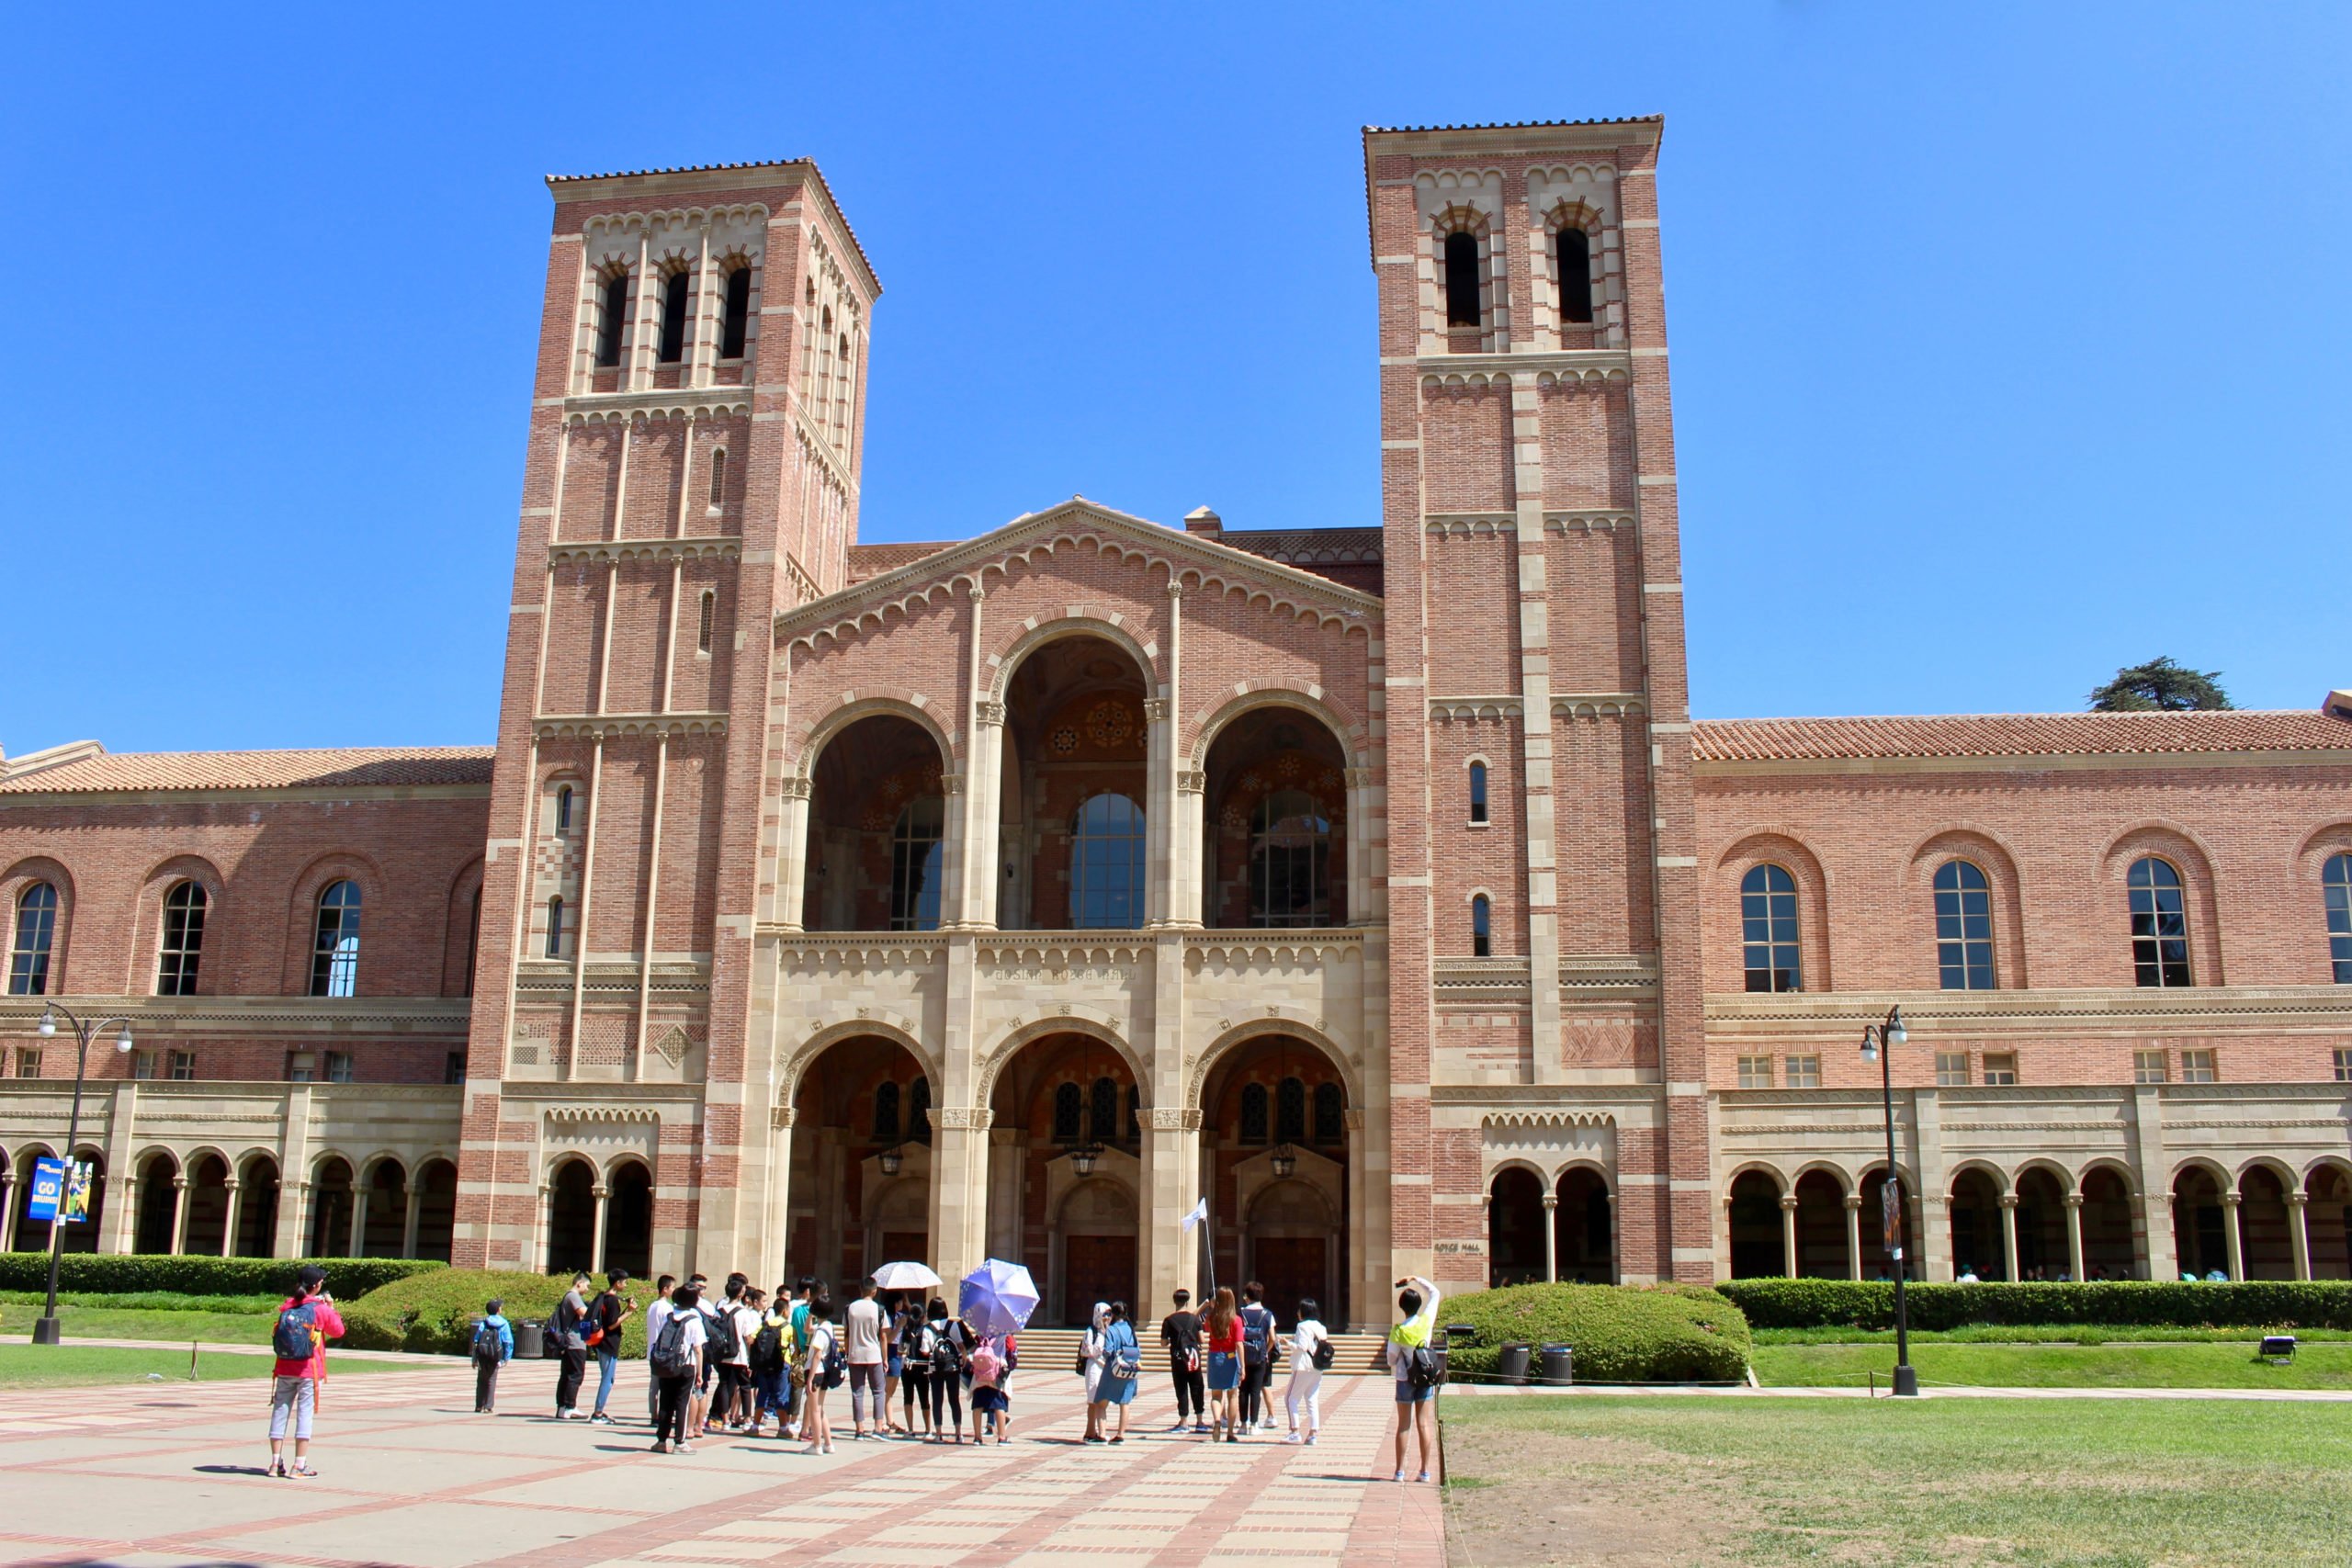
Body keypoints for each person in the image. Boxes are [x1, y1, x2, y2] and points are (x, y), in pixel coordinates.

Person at [267, 1264, 344, 1478]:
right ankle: (299, 1465)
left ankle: (275, 1464)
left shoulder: (287, 1306)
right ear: (317, 1285)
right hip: (309, 1369)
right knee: (304, 1414)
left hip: (283, 1367)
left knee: (280, 1412)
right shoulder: (320, 1309)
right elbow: (338, 1331)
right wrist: (331, 1307)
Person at [1386, 1274, 1440, 1483]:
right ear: (1418, 1305)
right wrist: (1415, 1278)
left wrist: (1402, 1355)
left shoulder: (1398, 1331)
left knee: (1404, 1425)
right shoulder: (1426, 1322)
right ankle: (1425, 1471)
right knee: (1424, 1424)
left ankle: (1399, 1471)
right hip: (1425, 1377)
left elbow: (1391, 1359)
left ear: (1402, 1307)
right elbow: (1435, 1293)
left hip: (1404, 1379)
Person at [649, 1281, 707, 1455]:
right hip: (686, 1366)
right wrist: (700, 1373)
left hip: (667, 1363)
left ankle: (661, 1440)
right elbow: (698, 1349)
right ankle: (679, 1442)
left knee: (666, 1402)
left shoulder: (670, 1315)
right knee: (682, 1404)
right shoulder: (694, 1320)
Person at [587, 1268, 635, 1425]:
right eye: (625, 1282)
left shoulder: (604, 1296)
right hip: (608, 1344)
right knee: (607, 1379)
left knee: (607, 1377)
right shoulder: (612, 1300)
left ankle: (599, 1411)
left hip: (602, 1343)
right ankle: (598, 1413)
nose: (626, 1285)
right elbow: (612, 1325)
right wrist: (629, 1312)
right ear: (618, 1282)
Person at [1282, 1296, 1329, 1444]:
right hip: (1317, 1367)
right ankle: (1313, 1433)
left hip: (1303, 1366)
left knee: (1290, 1398)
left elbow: (1302, 1346)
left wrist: (1287, 1343)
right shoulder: (1321, 1327)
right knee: (1312, 1399)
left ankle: (1294, 1431)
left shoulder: (1302, 1326)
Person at [843, 1278, 888, 1438]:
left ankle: (859, 1429)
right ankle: (878, 1427)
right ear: (874, 1291)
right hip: (874, 1354)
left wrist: (847, 1352)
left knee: (857, 1392)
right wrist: (885, 1358)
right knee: (878, 1391)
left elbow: (847, 1333)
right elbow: (883, 1336)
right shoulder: (879, 1309)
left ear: (860, 1290)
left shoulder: (850, 1308)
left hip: (855, 1354)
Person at [1160, 1289, 1206, 1434]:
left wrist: (1171, 1341)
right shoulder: (1195, 1319)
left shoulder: (1169, 1320)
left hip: (1178, 1360)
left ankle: (1184, 1422)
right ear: (1187, 1302)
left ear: (1174, 1302)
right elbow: (1202, 1340)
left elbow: (1163, 1342)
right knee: (1197, 1388)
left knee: (1181, 1390)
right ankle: (1199, 1421)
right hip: (1194, 1359)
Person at [1096, 1301, 1140, 1443]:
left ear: (1113, 1314)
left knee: (1101, 1402)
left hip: (1113, 1369)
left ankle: (1102, 1435)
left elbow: (1108, 1351)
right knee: (1125, 1402)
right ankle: (1120, 1435)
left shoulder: (1111, 1329)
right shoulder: (1130, 1328)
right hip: (1129, 1368)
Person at [1203, 1287, 1243, 1442]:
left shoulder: (1211, 1318)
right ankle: (1231, 1432)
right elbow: (1239, 1344)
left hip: (1214, 1356)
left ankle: (1217, 1419)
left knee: (1216, 1395)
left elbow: (1203, 1324)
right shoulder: (1236, 1320)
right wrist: (1243, 1367)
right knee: (1232, 1395)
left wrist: (1211, 1307)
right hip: (1230, 1356)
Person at [922, 1298, 965, 1442]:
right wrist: (963, 1358)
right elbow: (960, 1346)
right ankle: (958, 1433)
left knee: (937, 1399)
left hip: (936, 1368)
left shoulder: (927, 1328)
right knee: (954, 1399)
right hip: (952, 1367)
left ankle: (938, 1433)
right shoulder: (953, 1325)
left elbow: (925, 1351)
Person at [551, 1272, 593, 1419]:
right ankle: (570, 1406)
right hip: (575, 1342)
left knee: (566, 1375)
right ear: (579, 1283)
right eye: (587, 1286)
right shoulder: (573, 1296)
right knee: (576, 1375)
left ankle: (562, 1407)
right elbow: (585, 1314)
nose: (587, 1289)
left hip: (568, 1342)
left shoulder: (567, 1297)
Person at [1238, 1282, 1277, 1431]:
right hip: (1260, 1357)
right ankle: (1254, 1424)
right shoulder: (1267, 1314)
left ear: (1247, 1296)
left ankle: (1243, 1424)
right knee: (1255, 1390)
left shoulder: (1240, 1313)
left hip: (1243, 1356)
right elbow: (1272, 1338)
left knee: (1243, 1390)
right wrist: (1265, 1351)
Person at [802, 1293, 839, 1454]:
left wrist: (809, 1379)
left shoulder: (820, 1333)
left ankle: (816, 1445)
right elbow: (807, 1328)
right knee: (819, 1408)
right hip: (825, 1371)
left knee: (814, 1409)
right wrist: (812, 1313)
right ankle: (828, 1443)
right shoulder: (828, 1327)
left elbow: (817, 1355)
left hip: (815, 1371)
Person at [970, 1324, 1016, 1445]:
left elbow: (973, 1347)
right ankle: (1001, 1437)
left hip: (980, 1370)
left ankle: (977, 1437)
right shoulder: (1004, 1331)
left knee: (978, 1404)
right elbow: (1012, 1350)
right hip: (996, 1370)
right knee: (999, 1404)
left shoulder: (980, 1331)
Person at [642, 1275, 677, 1425]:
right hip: (664, 1351)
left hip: (652, 1349)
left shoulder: (652, 1306)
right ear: (665, 1289)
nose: (673, 1290)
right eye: (672, 1287)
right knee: (665, 1385)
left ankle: (653, 1415)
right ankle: (663, 1414)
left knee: (654, 1385)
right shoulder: (668, 1308)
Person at [896, 1296, 932, 1440]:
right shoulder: (926, 1330)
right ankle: (928, 1429)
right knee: (924, 1398)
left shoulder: (906, 1330)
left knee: (908, 1398)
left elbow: (900, 1349)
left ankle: (910, 1429)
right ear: (923, 1316)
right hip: (922, 1367)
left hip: (908, 1367)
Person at [470, 1297, 514, 1415]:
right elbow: (508, 1342)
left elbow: (476, 1341)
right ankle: (488, 1406)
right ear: (498, 1310)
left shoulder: (484, 1323)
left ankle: (479, 1405)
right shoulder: (504, 1324)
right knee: (491, 1380)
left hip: (483, 1355)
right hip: (496, 1355)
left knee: (481, 1380)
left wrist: (474, 1359)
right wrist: (506, 1358)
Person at [1079, 1301, 1110, 1442]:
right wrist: (1101, 1340)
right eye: (1105, 1314)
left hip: (1105, 1368)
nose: (1107, 1318)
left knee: (1102, 1401)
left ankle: (1091, 1432)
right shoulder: (1091, 1331)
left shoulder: (1109, 1331)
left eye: (1109, 1314)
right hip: (1094, 1368)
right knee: (1092, 1401)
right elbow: (1088, 1351)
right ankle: (1091, 1431)